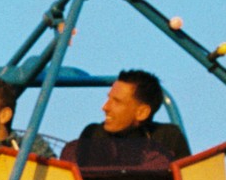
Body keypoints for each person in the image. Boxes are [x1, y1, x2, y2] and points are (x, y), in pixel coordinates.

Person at [60, 69, 191, 170]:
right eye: (108, 98)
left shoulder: (168, 137)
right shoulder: (93, 134)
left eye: (116, 101)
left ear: (142, 112)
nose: (105, 107)